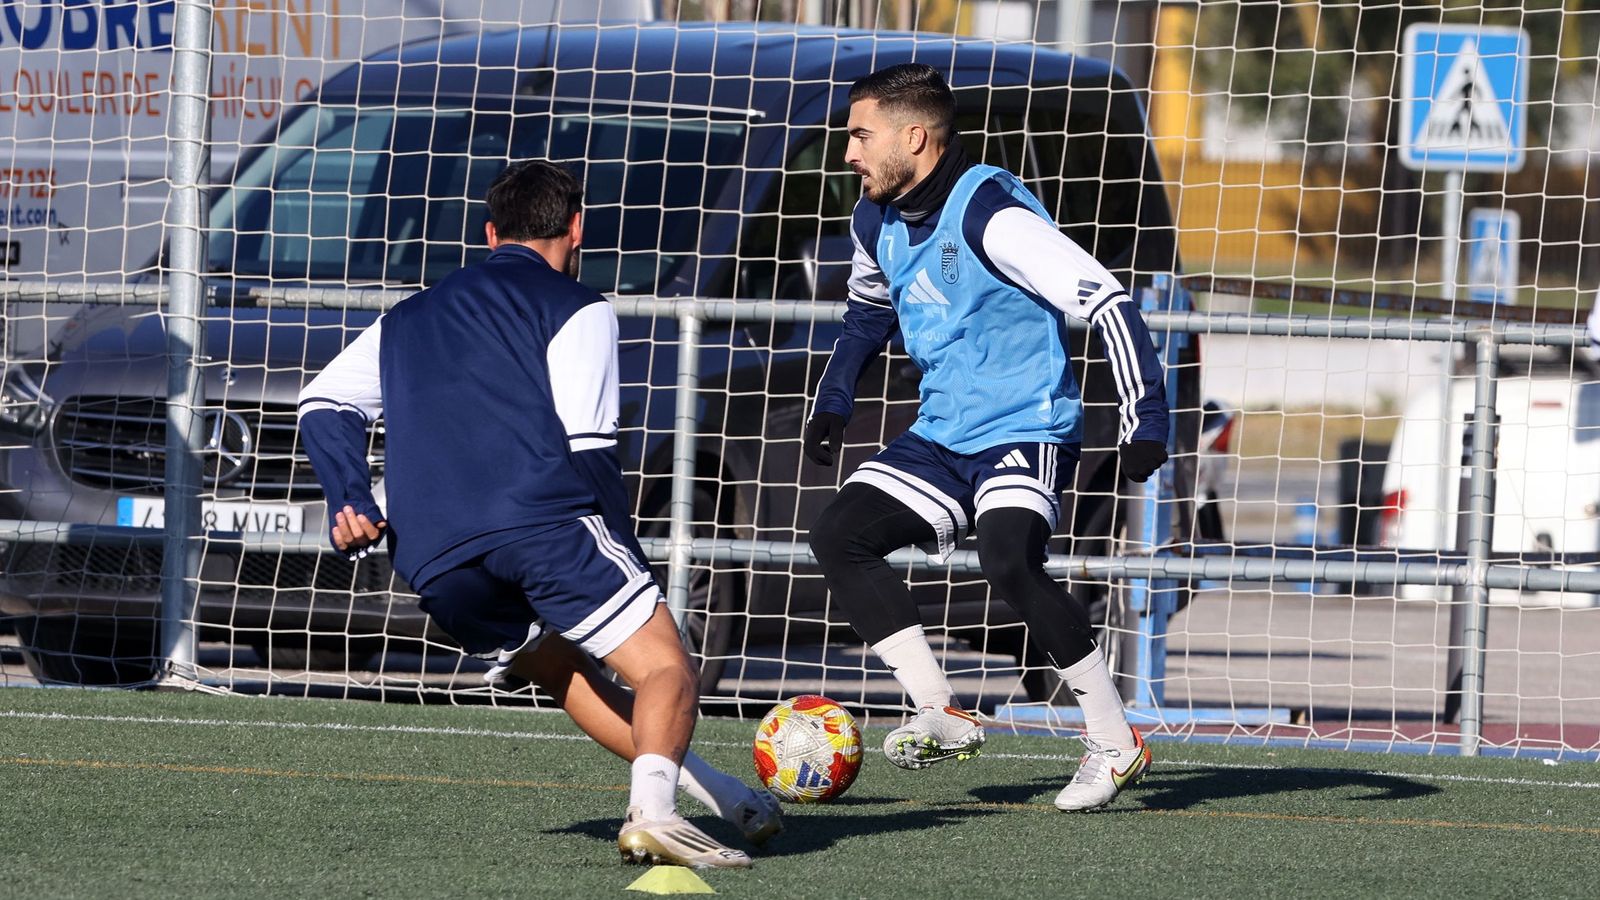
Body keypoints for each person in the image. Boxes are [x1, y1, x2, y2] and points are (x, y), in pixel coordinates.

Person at [296, 159, 777, 868]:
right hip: (542, 522)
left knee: (560, 672)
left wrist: (349, 496)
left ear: (491, 233)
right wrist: (629, 564)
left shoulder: (407, 316)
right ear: (576, 227)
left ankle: (714, 790)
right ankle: (653, 812)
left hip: (433, 556)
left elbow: (322, 402)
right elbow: (588, 451)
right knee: (666, 666)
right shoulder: (577, 304)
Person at [804, 64, 1170, 812]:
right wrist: (835, 394)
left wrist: (1146, 416)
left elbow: (1106, 299)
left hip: (1025, 428)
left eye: (859, 135)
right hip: (945, 432)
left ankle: (1113, 738)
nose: (848, 153)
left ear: (915, 137)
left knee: (1009, 556)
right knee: (840, 533)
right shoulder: (873, 217)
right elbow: (869, 311)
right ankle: (939, 708)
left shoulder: (991, 214)